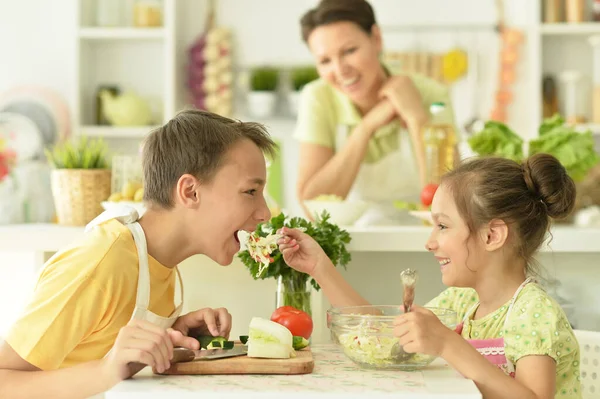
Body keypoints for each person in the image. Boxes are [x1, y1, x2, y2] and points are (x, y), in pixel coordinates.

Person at [0, 110, 276, 399]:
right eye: (250, 191)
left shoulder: (159, 264)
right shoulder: (100, 265)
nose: (265, 213)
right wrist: (108, 370)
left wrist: (173, 336)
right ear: (191, 191)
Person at [278, 153, 582, 399]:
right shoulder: (463, 302)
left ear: (491, 235)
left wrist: (448, 344)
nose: (430, 242)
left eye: (443, 226)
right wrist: (321, 268)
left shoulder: (534, 313)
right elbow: (381, 333)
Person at [294, 0, 456, 225]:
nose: (340, 70)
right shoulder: (318, 98)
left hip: (427, 240)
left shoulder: (430, 93)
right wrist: (365, 128)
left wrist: (416, 118)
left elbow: (449, 203)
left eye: (349, 51)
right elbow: (312, 207)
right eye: (325, 61)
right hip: (353, 245)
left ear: (376, 39)